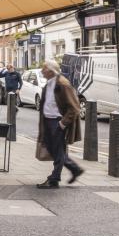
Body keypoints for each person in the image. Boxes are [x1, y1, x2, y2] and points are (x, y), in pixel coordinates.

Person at [35, 59, 84, 188]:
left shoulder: (63, 84)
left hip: (56, 122)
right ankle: (75, 169)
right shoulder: (50, 83)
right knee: (53, 149)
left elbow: (74, 108)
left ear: (51, 71)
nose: (42, 70)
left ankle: (54, 179)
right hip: (47, 121)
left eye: (44, 68)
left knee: (58, 150)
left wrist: (62, 124)